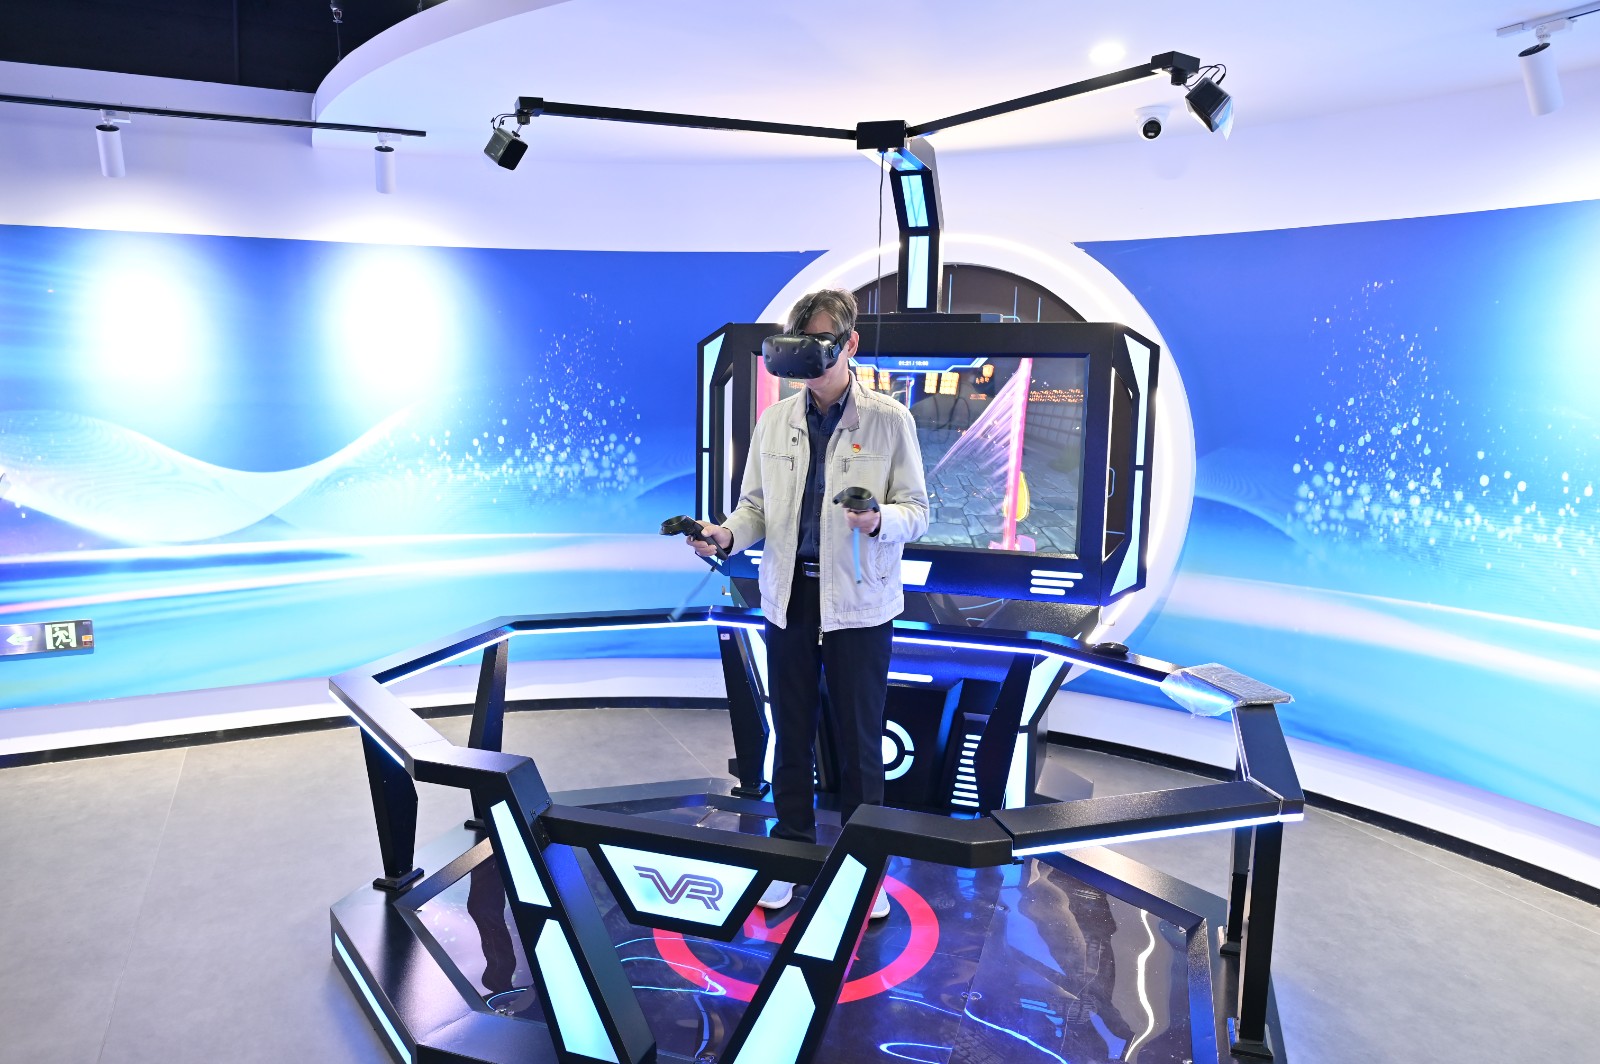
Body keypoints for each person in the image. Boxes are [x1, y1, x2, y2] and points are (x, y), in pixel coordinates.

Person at [689, 288, 929, 920]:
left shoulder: (889, 421)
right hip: (789, 596)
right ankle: (790, 854)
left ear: (850, 344)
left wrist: (879, 521)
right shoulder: (775, 421)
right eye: (799, 343)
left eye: (821, 342)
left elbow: (917, 511)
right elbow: (755, 507)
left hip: (860, 603)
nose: (808, 357)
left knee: (860, 743)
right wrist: (725, 536)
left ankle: (863, 872)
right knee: (790, 734)